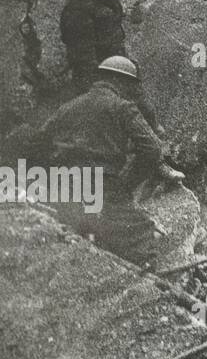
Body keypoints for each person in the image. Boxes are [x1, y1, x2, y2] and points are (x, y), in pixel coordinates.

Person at [42, 56, 185, 266]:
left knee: (74, 236)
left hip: (65, 185)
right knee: (141, 234)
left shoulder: (69, 106)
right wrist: (128, 183)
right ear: (123, 82)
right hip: (104, 186)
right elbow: (152, 149)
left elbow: (40, 140)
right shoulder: (122, 107)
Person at [60, 0, 126, 92]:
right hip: (98, 82)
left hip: (116, 70)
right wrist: (99, 89)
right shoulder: (79, 3)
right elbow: (82, 56)